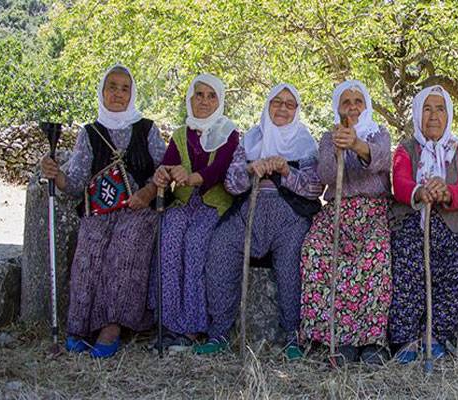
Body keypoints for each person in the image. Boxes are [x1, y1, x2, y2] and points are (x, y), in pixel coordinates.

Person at [39, 64, 165, 358]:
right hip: (100, 210)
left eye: (125, 88)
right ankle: (81, 325)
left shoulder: (147, 129)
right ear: (102, 91)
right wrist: (55, 174)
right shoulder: (90, 133)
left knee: (126, 242)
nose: (118, 94)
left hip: (138, 209)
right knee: (90, 245)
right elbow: (76, 182)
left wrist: (147, 192)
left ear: (132, 94)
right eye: (112, 87)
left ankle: (112, 326)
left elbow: (164, 169)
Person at [195, 83, 322, 358]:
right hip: (248, 213)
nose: (283, 108)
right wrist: (252, 170)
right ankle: (220, 333)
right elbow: (231, 184)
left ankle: (292, 336)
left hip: (290, 217)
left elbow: (315, 189)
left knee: (291, 261)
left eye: (290, 104)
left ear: (297, 110)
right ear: (268, 105)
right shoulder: (251, 139)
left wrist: (286, 171)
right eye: (277, 102)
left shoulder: (305, 142)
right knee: (220, 246)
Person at [388, 85, 458, 364]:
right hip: (413, 220)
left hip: (454, 222)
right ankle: (405, 337)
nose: (433, 115)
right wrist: (419, 192)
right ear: (418, 114)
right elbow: (400, 183)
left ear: (448, 114)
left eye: (440, 108)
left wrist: (447, 192)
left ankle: (434, 334)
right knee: (407, 257)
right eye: (427, 109)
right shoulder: (405, 148)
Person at [299, 80, 393, 365]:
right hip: (338, 211)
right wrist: (339, 149)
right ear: (338, 108)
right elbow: (327, 175)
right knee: (315, 249)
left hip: (373, 210)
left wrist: (357, 145)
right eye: (346, 102)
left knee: (374, 257)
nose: (352, 107)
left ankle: (371, 341)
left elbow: (382, 161)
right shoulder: (329, 138)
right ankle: (337, 337)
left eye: (357, 102)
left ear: (366, 106)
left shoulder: (379, 133)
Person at [150, 73, 242, 351]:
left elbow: (216, 171)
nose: (204, 101)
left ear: (220, 100)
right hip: (183, 204)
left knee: (196, 244)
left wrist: (189, 177)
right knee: (169, 240)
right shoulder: (181, 134)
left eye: (211, 95)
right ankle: (167, 324)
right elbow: (168, 165)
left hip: (214, 204)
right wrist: (163, 175)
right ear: (190, 99)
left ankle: (192, 327)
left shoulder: (228, 133)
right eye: (199, 95)